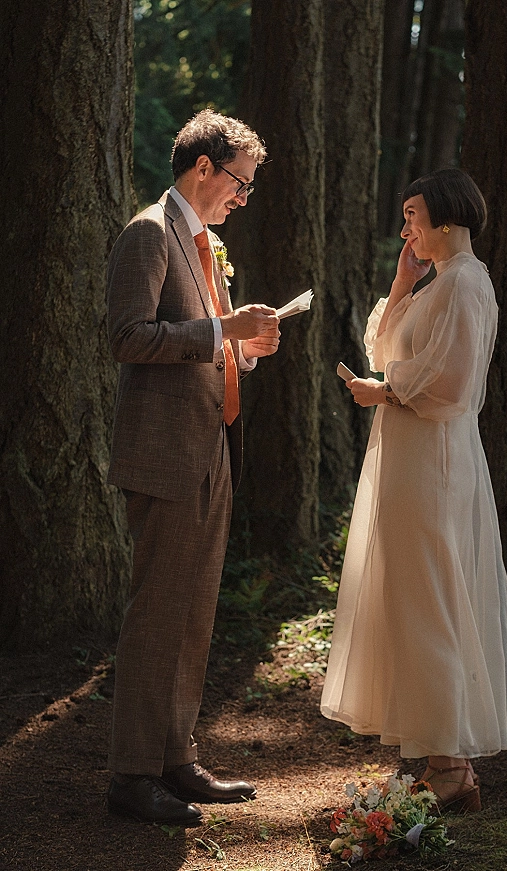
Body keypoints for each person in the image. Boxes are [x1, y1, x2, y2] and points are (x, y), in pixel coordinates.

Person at [320, 168, 507, 812]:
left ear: (445, 218)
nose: (407, 227)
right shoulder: (439, 284)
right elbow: (385, 346)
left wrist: (381, 392)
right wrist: (400, 284)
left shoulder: (468, 283)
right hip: (410, 460)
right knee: (412, 596)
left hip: (436, 463)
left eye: (414, 214)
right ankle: (437, 756)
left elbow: (450, 386)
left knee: (433, 599)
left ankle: (450, 764)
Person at [105, 109, 280, 825]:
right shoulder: (149, 232)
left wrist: (242, 351)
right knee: (157, 615)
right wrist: (219, 330)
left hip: (212, 445)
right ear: (202, 167)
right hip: (165, 453)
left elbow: (206, 345)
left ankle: (175, 757)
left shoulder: (205, 243)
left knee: (195, 613)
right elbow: (127, 336)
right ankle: (132, 774)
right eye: (239, 182)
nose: (243, 198)